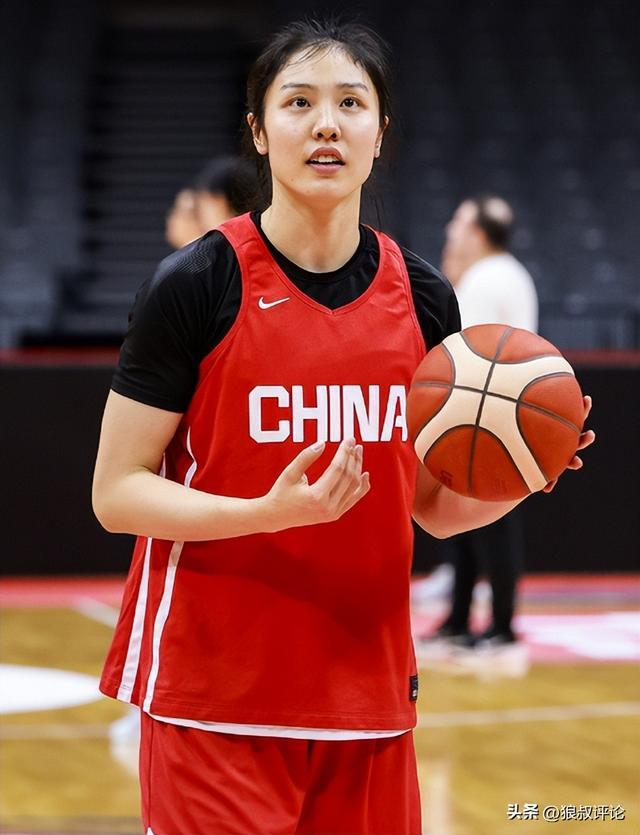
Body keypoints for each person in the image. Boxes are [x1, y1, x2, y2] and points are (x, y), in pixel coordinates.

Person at [92, 20, 593, 834]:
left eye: (350, 103)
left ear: (380, 132)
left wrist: (528, 469)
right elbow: (116, 493)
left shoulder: (423, 297)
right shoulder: (196, 282)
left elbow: (432, 504)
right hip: (211, 702)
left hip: (369, 702)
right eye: (298, 102)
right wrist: (267, 512)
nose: (326, 123)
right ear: (259, 131)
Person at [428, 195, 539, 649]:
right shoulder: (512, 273)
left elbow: (466, 352)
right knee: (475, 527)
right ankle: (465, 620)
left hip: (487, 416)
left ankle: (498, 625)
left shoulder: (485, 278)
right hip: (502, 414)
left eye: (457, 222)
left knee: (488, 527)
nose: (450, 230)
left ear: (476, 233)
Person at [165, 156, 259, 249]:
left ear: (220, 203)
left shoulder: (218, 250)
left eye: (201, 204)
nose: (199, 216)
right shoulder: (258, 237)